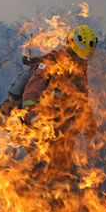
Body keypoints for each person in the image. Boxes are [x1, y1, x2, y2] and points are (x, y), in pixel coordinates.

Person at [18, 24, 98, 184]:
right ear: (70, 48)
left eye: (81, 57)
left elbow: (81, 96)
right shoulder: (51, 62)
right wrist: (32, 115)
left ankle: (60, 203)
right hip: (43, 124)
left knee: (64, 171)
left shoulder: (80, 66)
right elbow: (32, 92)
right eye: (76, 55)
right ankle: (30, 197)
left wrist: (89, 120)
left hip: (64, 128)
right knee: (43, 168)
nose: (78, 60)